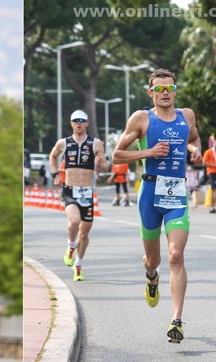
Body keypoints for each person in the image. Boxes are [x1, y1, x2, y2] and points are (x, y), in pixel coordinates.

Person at [112, 68, 203, 343]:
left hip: (176, 192)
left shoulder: (187, 116)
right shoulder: (142, 118)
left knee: (176, 256)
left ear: (175, 90)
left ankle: (176, 320)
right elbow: (117, 155)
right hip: (150, 191)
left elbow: (195, 138)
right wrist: (148, 152)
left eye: (170, 89)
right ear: (150, 92)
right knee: (154, 259)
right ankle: (152, 277)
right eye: (159, 89)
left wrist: (195, 150)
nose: (165, 94)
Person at [49, 109, 108, 281]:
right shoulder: (64, 143)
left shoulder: (96, 143)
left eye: (82, 120)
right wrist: (55, 175)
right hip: (70, 190)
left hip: (87, 192)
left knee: (84, 233)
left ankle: (78, 264)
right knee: (74, 221)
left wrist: (100, 163)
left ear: (87, 123)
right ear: (71, 124)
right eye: (76, 121)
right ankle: (71, 245)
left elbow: (105, 167)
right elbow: (52, 157)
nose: (79, 123)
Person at [203, 137, 216, 213]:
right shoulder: (208, 152)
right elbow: (204, 162)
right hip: (211, 172)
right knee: (214, 189)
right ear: (213, 143)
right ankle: (213, 207)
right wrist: (213, 165)